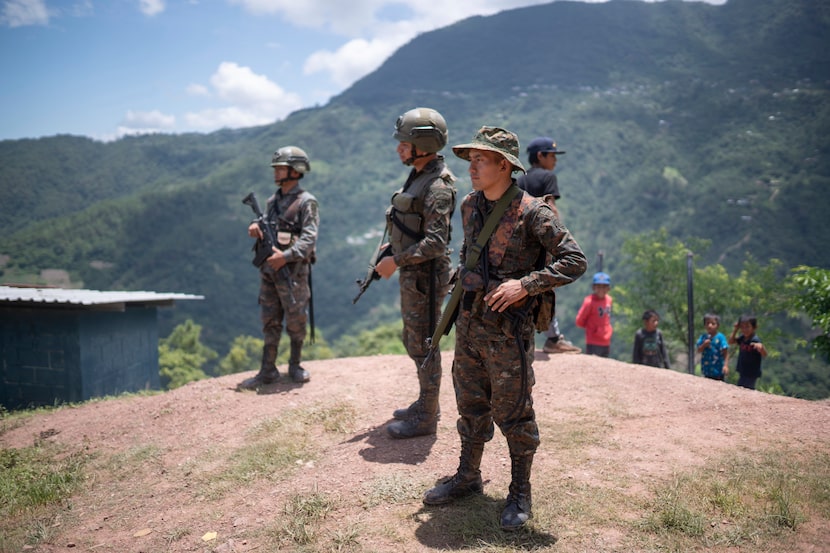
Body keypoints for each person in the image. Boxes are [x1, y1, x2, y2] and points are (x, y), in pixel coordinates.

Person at [422, 126, 587, 530]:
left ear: (504, 165)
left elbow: (574, 260)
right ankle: (468, 476)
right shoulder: (469, 206)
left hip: (509, 334)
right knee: (470, 403)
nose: (472, 167)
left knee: (514, 412)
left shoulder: (534, 212)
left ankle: (519, 491)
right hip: (470, 324)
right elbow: (469, 252)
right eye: (471, 159)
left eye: (481, 160)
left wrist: (525, 285)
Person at [376, 107, 457, 439]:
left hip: (426, 277)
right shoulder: (419, 174)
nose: (399, 148)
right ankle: (426, 402)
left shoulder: (438, 185)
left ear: (423, 143)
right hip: (414, 274)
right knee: (412, 340)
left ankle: (426, 416)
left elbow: (436, 242)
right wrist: (392, 251)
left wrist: (396, 261)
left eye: (405, 142)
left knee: (425, 343)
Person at [238, 146, 319, 388]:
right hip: (270, 272)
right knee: (269, 319)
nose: (276, 172)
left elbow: (309, 238)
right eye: (276, 168)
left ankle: (295, 365)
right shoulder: (272, 201)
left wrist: (286, 256)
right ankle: (268, 369)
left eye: (281, 168)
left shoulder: (307, 202)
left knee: (296, 319)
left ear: (295, 171)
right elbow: (268, 225)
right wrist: (256, 225)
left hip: (293, 272)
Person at [517, 136, 580, 354]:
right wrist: (560, 240)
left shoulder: (520, 179)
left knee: (521, 284)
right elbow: (550, 208)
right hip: (542, 241)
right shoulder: (547, 177)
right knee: (545, 286)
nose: (554, 160)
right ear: (540, 156)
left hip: (521, 242)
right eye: (552, 155)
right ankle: (553, 338)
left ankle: (522, 331)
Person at [575, 272, 613, 357]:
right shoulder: (589, 302)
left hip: (606, 339)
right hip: (593, 340)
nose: (601, 289)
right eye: (598, 286)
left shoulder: (609, 300)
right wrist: (592, 328)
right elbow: (579, 321)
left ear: (608, 288)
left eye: (604, 287)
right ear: (593, 287)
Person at [729, 314, 768, 390]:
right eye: (742, 327)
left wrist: (762, 347)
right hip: (743, 370)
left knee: (747, 390)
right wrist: (735, 330)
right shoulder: (743, 338)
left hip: (751, 372)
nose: (744, 329)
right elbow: (731, 341)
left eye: (747, 327)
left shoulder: (755, 340)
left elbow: (764, 354)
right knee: (741, 388)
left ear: (754, 327)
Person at [696, 312, 729, 380]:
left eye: (713, 324)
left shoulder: (720, 337)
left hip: (718, 370)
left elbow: (725, 352)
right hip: (706, 370)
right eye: (707, 323)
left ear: (717, 325)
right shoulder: (703, 337)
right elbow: (699, 350)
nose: (710, 325)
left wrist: (725, 365)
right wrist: (704, 345)